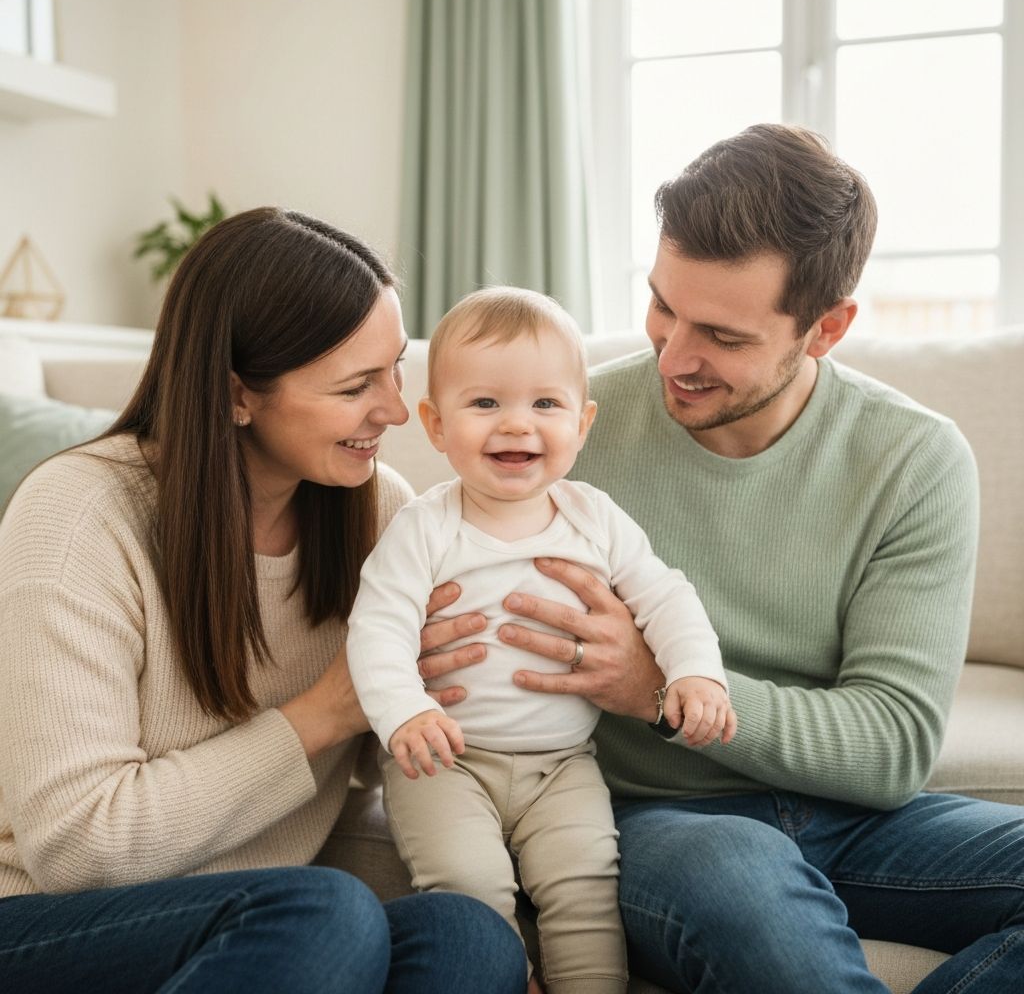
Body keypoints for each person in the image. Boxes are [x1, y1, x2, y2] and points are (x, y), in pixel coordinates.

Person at [417, 124, 1024, 993]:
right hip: (660, 821)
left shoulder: (913, 459)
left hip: (853, 819)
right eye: (664, 306)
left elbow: (892, 747)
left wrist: (656, 690)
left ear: (827, 328)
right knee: (747, 895)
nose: (674, 354)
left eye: (723, 337)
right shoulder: (567, 432)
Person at [0, 208, 526, 993]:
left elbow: (414, 761)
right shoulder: (78, 518)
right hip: (53, 917)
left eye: (394, 370)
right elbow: (77, 848)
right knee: (324, 913)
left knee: (470, 935)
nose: (392, 410)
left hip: (269, 922)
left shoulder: (381, 510)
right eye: (355, 387)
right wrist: (330, 710)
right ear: (237, 395)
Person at [346, 286, 735, 994]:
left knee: (586, 888)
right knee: (469, 881)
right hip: (446, 761)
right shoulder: (425, 528)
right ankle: (507, 977)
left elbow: (665, 596)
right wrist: (405, 711)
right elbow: (378, 627)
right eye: (485, 404)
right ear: (435, 425)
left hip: (564, 765)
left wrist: (695, 675)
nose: (516, 426)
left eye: (545, 405)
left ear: (582, 423)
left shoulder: (595, 518)